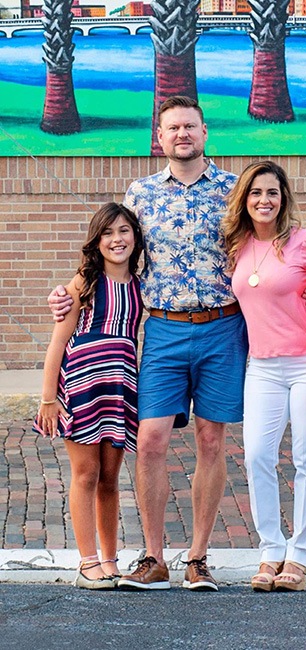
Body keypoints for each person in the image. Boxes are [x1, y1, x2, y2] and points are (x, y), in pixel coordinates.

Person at [48, 96, 249, 591]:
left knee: (210, 439)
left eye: (190, 126)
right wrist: (69, 289)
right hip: (161, 331)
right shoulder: (140, 194)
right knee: (151, 440)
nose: (182, 134)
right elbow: (110, 250)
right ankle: (154, 557)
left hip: (223, 327)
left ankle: (198, 557)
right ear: (159, 138)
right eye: (172, 128)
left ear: (205, 133)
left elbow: (266, 246)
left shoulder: (232, 191)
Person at [223, 161, 306, 592]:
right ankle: (270, 549)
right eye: (255, 193)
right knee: (257, 457)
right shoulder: (237, 245)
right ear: (244, 200)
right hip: (262, 366)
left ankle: (300, 555)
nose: (264, 200)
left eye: (272, 192)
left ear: (283, 198)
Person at [34, 202, 143, 590]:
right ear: (96, 241)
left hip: (120, 388)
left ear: (135, 236)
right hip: (82, 386)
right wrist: (50, 398)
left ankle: (111, 559)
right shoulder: (83, 282)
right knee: (86, 473)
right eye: (108, 233)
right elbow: (58, 341)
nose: (117, 240)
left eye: (124, 231)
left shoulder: (139, 284)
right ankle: (87, 561)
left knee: (112, 478)